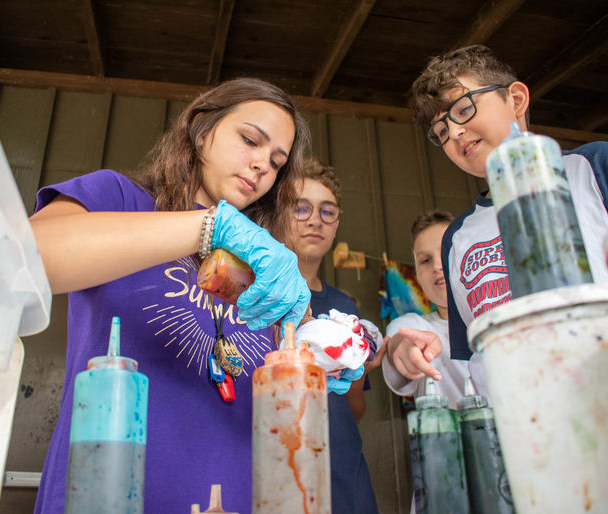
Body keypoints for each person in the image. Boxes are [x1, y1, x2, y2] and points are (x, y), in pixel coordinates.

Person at [29, 77, 312, 514]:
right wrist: (207, 227)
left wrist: (358, 346)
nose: (261, 165)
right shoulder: (119, 199)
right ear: (201, 131)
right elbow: (33, 254)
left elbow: (307, 354)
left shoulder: (267, 267)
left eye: (276, 162)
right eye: (249, 140)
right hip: (105, 498)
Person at [410, 45, 608, 362]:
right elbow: (476, 356)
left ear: (515, 100)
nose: (455, 132)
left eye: (462, 109)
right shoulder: (458, 238)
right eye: (441, 131)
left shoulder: (595, 168)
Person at [285, 156, 382, 514]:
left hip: (343, 467)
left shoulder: (344, 306)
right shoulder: (253, 296)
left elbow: (355, 406)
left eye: (328, 211)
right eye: (301, 208)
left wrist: (356, 372)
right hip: (282, 462)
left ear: (337, 222)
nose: (315, 220)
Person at [383, 210, 487, 408]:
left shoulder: (501, 318)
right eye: (425, 260)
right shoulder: (415, 324)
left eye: (447, 251)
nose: (438, 266)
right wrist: (406, 348)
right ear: (418, 277)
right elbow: (399, 339)